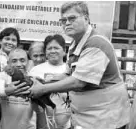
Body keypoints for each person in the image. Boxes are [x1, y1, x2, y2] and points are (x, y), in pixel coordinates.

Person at [29, 1, 130, 129]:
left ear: (86, 19)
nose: (66, 23)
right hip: (88, 118)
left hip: (106, 119)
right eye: (63, 20)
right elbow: (68, 74)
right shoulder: (75, 43)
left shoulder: (96, 43)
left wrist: (43, 89)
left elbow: (78, 82)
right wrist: (44, 82)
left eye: (72, 18)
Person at [29, 34, 71, 129]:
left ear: (64, 51)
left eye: (56, 48)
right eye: (49, 48)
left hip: (67, 122)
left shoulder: (70, 69)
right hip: (41, 121)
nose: (52, 51)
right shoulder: (35, 70)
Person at [0, 48, 36, 129]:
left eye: (22, 60)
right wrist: (7, 91)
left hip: (29, 126)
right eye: (14, 61)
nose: (19, 64)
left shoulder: (33, 76)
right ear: (8, 63)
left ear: (28, 62)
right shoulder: (3, 76)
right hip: (7, 126)